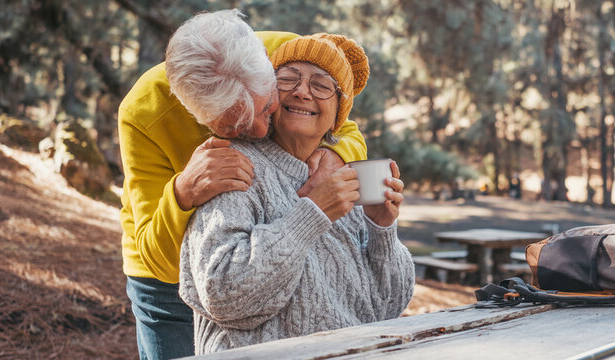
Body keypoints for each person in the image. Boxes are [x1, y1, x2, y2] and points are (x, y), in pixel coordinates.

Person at [118, 10, 367, 360]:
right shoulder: (143, 112)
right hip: (167, 288)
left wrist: (335, 154)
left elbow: (345, 127)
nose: (262, 132)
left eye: (266, 108)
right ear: (193, 112)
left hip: (260, 253)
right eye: (236, 128)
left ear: (268, 67)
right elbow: (157, 259)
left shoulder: (290, 55)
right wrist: (182, 192)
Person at [179, 33, 416, 354]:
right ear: (269, 97)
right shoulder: (234, 165)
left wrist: (382, 229)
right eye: (288, 79)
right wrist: (313, 213)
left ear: (338, 114)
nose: (302, 91)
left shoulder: (346, 174)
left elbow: (388, 307)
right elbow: (223, 294)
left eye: (321, 85)